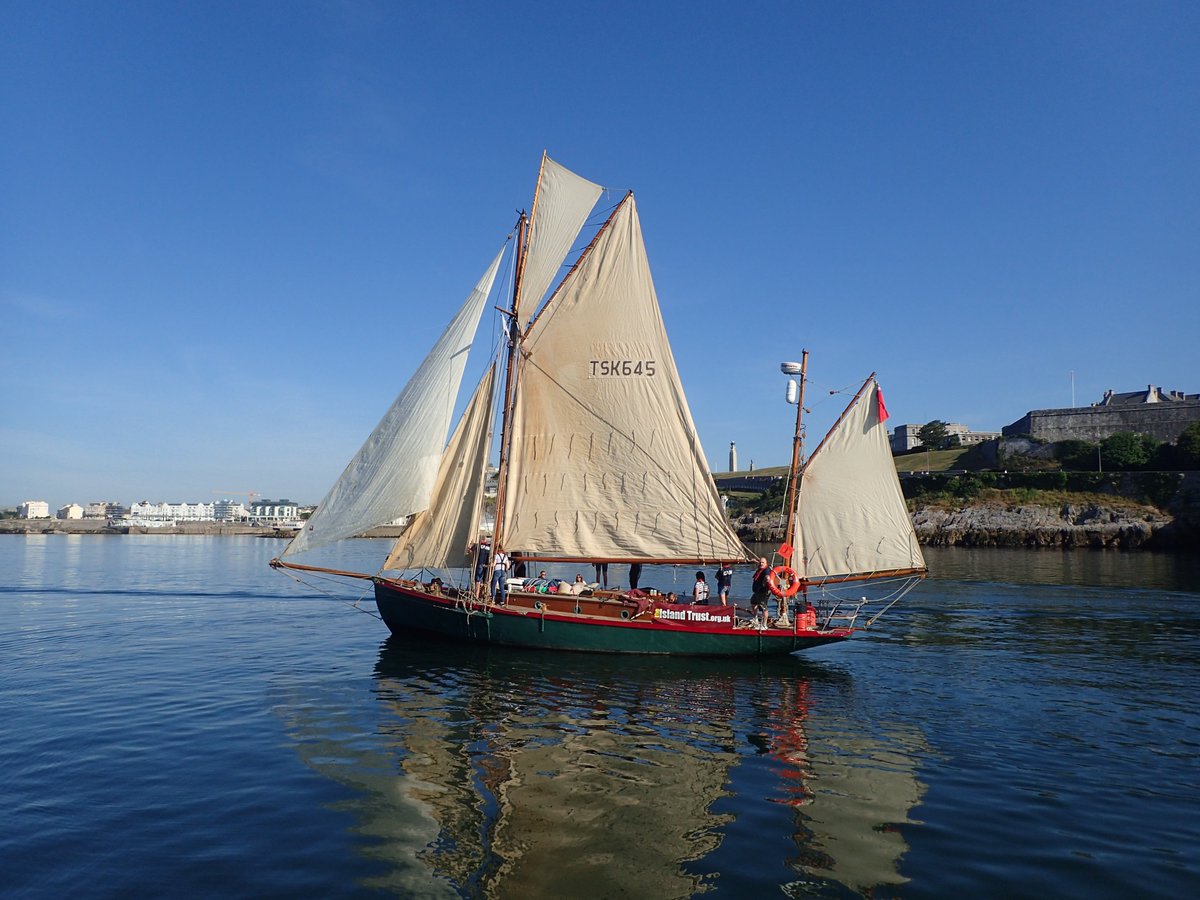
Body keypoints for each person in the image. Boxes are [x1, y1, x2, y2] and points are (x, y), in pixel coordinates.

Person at [750, 557, 771, 623]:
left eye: (763, 562)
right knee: (753, 602)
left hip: (763, 592)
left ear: (766, 563)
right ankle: (755, 618)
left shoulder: (766, 570)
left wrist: (766, 580)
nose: (761, 564)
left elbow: (767, 576)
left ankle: (764, 624)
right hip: (757, 591)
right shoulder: (760, 568)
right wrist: (755, 561)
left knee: (764, 608)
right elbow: (759, 564)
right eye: (760, 562)